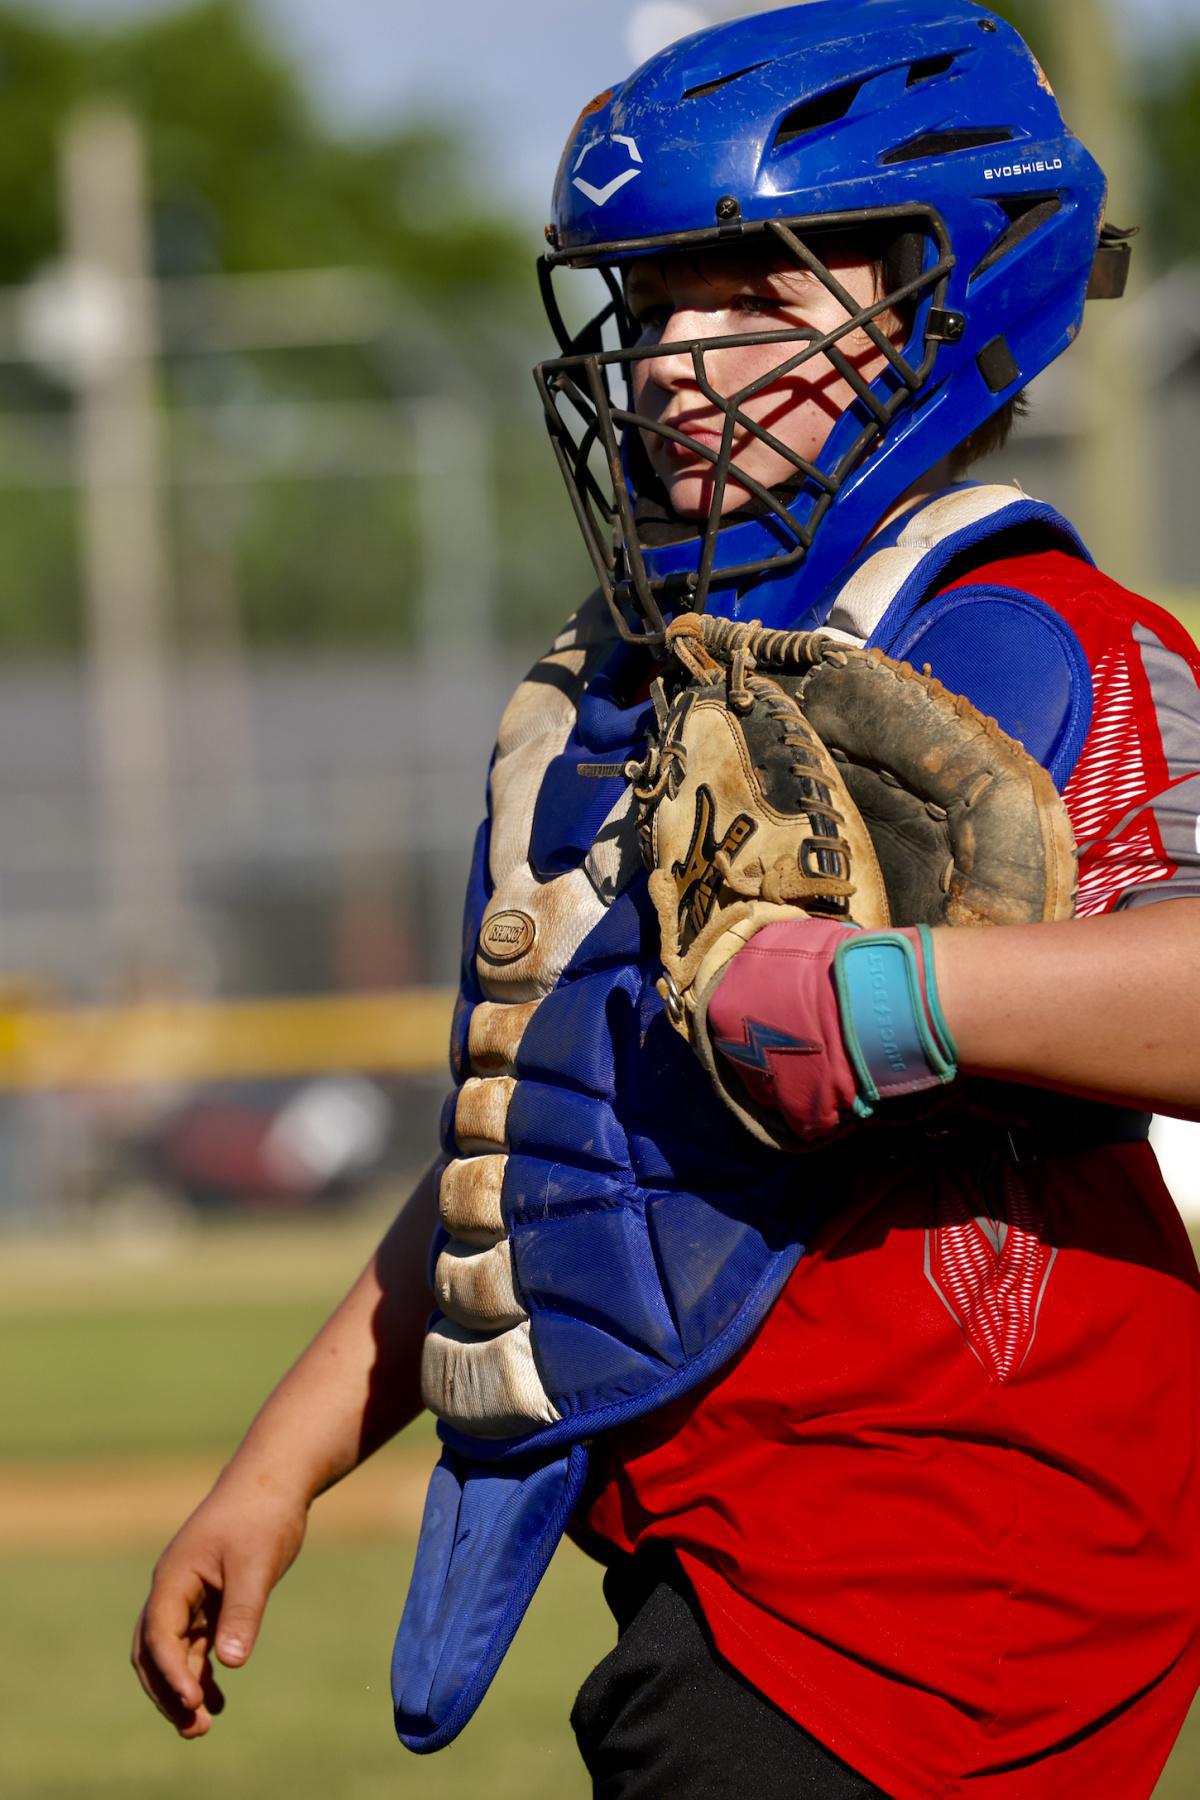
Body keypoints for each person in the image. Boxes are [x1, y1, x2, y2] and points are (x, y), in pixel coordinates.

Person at [133, 4, 1200, 1794]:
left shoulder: (1040, 652)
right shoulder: (653, 686)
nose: (671, 366)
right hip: (722, 1587)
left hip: (943, 1601)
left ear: (949, 298)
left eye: (753, 301)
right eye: (646, 310)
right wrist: (279, 1465)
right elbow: (538, 1138)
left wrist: (880, 1000)